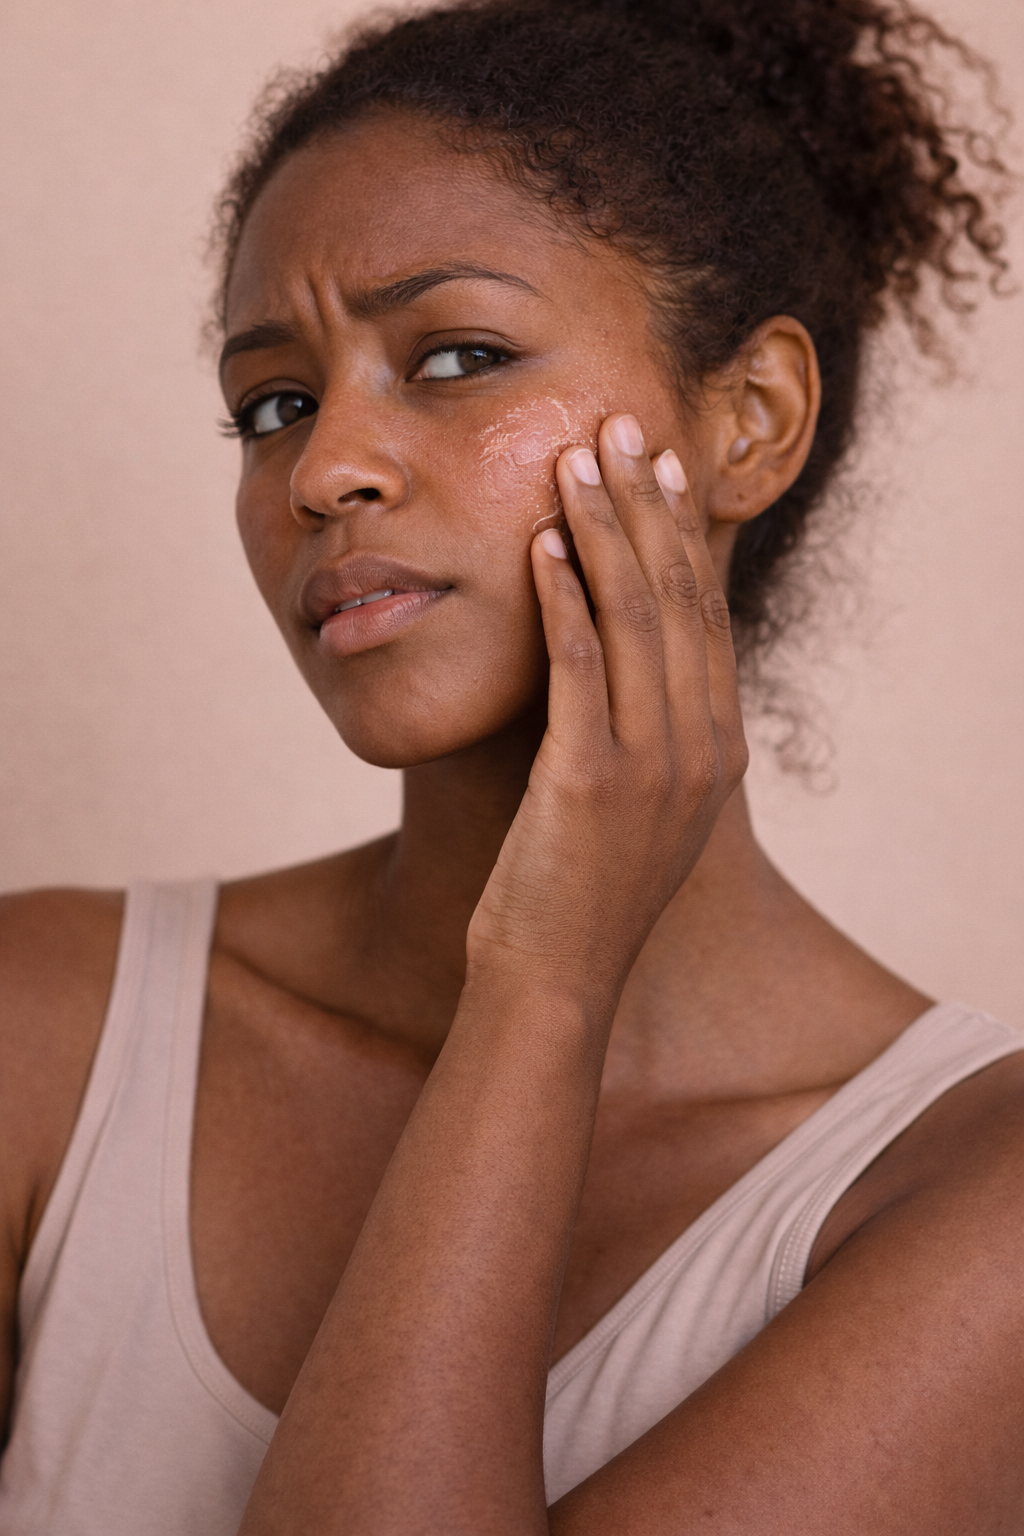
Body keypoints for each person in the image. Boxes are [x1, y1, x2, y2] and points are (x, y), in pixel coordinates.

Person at [1, 0, 1021, 1530]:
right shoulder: (49, 1032)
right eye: (273, 403)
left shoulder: (967, 1192)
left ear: (751, 421)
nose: (323, 469)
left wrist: (543, 985)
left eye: (459, 355)